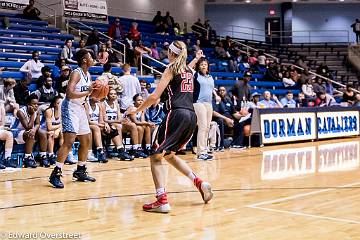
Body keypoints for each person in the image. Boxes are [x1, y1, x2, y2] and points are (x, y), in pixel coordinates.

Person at [128, 40, 213, 213]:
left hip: (177, 114)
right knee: (170, 155)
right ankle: (199, 183)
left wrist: (137, 110)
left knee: (155, 155)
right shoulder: (189, 70)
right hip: (191, 116)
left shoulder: (171, 69)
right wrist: (196, 59)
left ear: (171, 54)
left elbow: (154, 97)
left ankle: (161, 200)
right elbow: (186, 66)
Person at [49, 49, 96, 189]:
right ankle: (55, 173)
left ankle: (80, 170)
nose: (93, 59)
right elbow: (69, 93)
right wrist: (88, 91)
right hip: (70, 108)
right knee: (69, 141)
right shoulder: (76, 73)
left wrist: (96, 94)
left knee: (86, 139)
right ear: (84, 60)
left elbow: (86, 95)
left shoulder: (88, 74)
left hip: (80, 108)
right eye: (91, 56)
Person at [104, 89, 146, 159]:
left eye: (115, 94)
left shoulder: (116, 105)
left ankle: (135, 149)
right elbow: (105, 119)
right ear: (107, 95)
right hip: (108, 125)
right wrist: (118, 121)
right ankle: (121, 150)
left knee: (132, 125)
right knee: (118, 126)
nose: (113, 95)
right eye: (111, 94)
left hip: (116, 123)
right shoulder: (104, 104)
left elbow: (120, 119)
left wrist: (123, 120)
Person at [11, 94, 42, 168]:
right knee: (30, 133)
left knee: (42, 133)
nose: (36, 106)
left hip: (26, 132)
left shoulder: (37, 111)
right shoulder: (20, 112)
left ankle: (43, 155)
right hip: (16, 132)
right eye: (34, 104)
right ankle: (27, 157)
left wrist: (34, 130)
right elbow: (28, 127)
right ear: (28, 104)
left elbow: (37, 124)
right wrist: (32, 114)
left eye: (37, 104)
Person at [192, 57, 214, 160]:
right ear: (198, 66)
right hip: (198, 103)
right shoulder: (195, 75)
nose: (203, 65)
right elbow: (188, 68)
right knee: (203, 126)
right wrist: (196, 58)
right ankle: (200, 152)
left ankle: (204, 150)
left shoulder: (210, 77)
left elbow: (210, 89)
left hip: (209, 104)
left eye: (205, 64)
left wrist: (215, 94)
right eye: (201, 64)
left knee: (207, 127)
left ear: (208, 66)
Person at [39, 96, 63, 165]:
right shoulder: (49, 111)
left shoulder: (63, 111)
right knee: (51, 133)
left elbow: (64, 124)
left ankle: (64, 154)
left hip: (55, 130)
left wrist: (58, 130)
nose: (60, 105)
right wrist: (59, 127)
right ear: (55, 104)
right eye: (59, 103)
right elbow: (49, 127)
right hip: (44, 130)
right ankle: (50, 155)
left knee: (63, 133)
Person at [0, 102, 14, 169]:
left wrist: (3, 128)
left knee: (9, 134)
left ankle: (7, 159)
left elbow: (2, 124)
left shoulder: (1, 108)